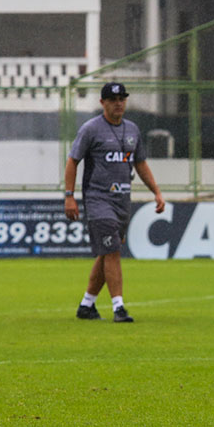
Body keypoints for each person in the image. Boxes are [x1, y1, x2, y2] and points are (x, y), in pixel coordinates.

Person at [64, 82, 165, 322]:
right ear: (102, 103)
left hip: (122, 200)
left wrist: (156, 192)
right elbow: (72, 161)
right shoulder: (91, 129)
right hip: (98, 199)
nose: (118, 103)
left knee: (107, 251)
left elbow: (140, 163)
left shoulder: (132, 130)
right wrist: (69, 196)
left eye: (122, 99)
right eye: (112, 99)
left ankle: (86, 305)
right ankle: (118, 307)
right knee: (113, 251)